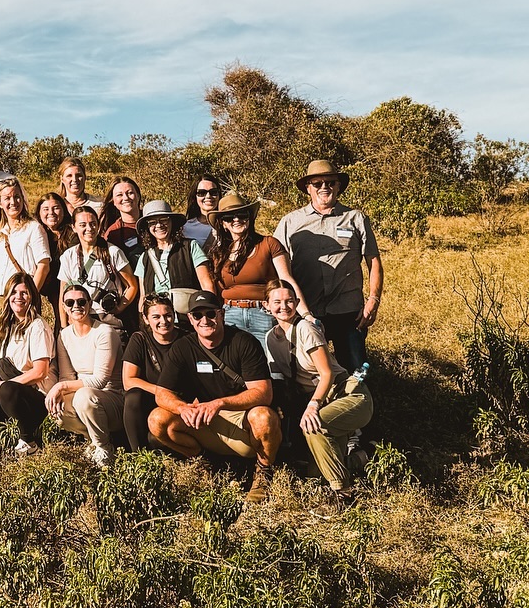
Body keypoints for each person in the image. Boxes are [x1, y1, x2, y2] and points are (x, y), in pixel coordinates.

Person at [147, 292, 281, 502]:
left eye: (210, 313)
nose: (205, 320)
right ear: (190, 319)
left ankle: (263, 472)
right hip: (203, 420)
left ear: (221, 314)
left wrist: (220, 403)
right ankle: (204, 462)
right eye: (198, 315)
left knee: (264, 418)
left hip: (240, 419)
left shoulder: (243, 342)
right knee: (157, 420)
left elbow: (264, 392)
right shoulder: (183, 347)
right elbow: (162, 393)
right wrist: (183, 408)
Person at [266, 282, 373, 501]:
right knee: (314, 473)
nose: (283, 306)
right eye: (277, 302)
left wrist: (312, 406)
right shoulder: (270, 338)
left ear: (297, 303)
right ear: (266, 305)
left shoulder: (306, 328)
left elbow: (327, 374)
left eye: (289, 301)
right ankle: (366, 457)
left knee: (315, 426)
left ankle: (343, 492)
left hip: (347, 395)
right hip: (321, 401)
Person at [273, 161, 383, 372]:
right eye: (317, 183)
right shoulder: (290, 222)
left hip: (348, 310)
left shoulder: (356, 218)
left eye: (330, 182)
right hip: (307, 310)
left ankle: (358, 404)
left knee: (355, 372)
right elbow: (277, 265)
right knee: (308, 372)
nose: (324, 187)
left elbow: (374, 261)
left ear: (339, 186)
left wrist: (373, 300)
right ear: (308, 188)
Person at [215, 192, 308, 348]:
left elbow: (287, 280)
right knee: (237, 365)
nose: (236, 219)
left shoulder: (268, 244)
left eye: (241, 214)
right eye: (229, 217)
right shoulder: (219, 253)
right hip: (230, 314)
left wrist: (306, 315)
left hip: (263, 313)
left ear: (250, 218)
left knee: (272, 365)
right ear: (223, 224)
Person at [47, 287, 124, 468]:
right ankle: (94, 438)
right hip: (86, 397)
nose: (76, 306)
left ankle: (104, 448)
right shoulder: (64, 336)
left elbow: (100, 380)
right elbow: (66, 375)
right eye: (70, 303)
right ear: (64, 308)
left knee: (82, 397)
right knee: (57, 406)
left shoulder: (104, 332)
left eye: (81, 302)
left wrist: (61, 387)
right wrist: (59, 390)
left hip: (112, 397)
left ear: (89, 305)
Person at [0, 272, 57, 449]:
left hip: (37, 394)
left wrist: (5, 384)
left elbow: (40, 371)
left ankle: (29, 441)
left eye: (24, 293)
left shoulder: (38, 327)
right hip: (14, 391)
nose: (19, 297)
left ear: (32, 296)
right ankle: (0, 448)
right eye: (14, 292)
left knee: (7, 390)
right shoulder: (7, 327)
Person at [120, 292, 181, 454]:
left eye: (168, 315)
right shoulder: (140, 339)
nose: (163, 321)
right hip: (152, 398)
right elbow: (128, 380)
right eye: (156, 317)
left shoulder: (186, 339)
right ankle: (138, 457)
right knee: (133, 396)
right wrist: (161, 392)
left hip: (180, 400)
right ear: (146, 319)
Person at [0, 178, 55, 321]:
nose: (13, 202)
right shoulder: (0, 231)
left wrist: (30, 297)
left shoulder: (33, 228)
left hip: (21, 302)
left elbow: (43, 266)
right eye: (7, 198)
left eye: (17, 197)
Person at [58, 204, 137, 324]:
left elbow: (132, 286)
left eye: (93, 223)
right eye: (82, 225)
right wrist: (64, 327)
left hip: (106, 318)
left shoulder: (112, 252)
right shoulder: (68, 256)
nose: (89, 228)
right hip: (78, 318)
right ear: (74, 227)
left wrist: (119, 308)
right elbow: (62, 294)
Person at [134, 200, 215, 317]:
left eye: (163, 220)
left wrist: (209, 314)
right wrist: (143, 323)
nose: (158, 225)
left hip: (189, 319)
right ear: (148, 227)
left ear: (172, 222)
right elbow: (143, 296)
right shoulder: (144, 258)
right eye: (152, 222)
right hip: (158, 324)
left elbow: (207, 285)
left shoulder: (191, 247)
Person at [100, 177, 146, 272]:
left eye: (130, 193)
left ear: (138, 195)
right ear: (113, 201)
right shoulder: (113, 233)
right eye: (119, 195)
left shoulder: (153, 220)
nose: (125, 198)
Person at [183, 176, 225, 260]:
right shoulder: (185, 228)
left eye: (213, 192)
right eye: (202, 193)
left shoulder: (229, 224)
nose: (208, 196)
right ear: (195, 197)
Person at [35, 192, 75, 257]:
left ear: (64, 210)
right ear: (39, 213)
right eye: (46, 209)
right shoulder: (36, 234)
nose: (51, 212)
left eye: (56, 208)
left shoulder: (73, 234)